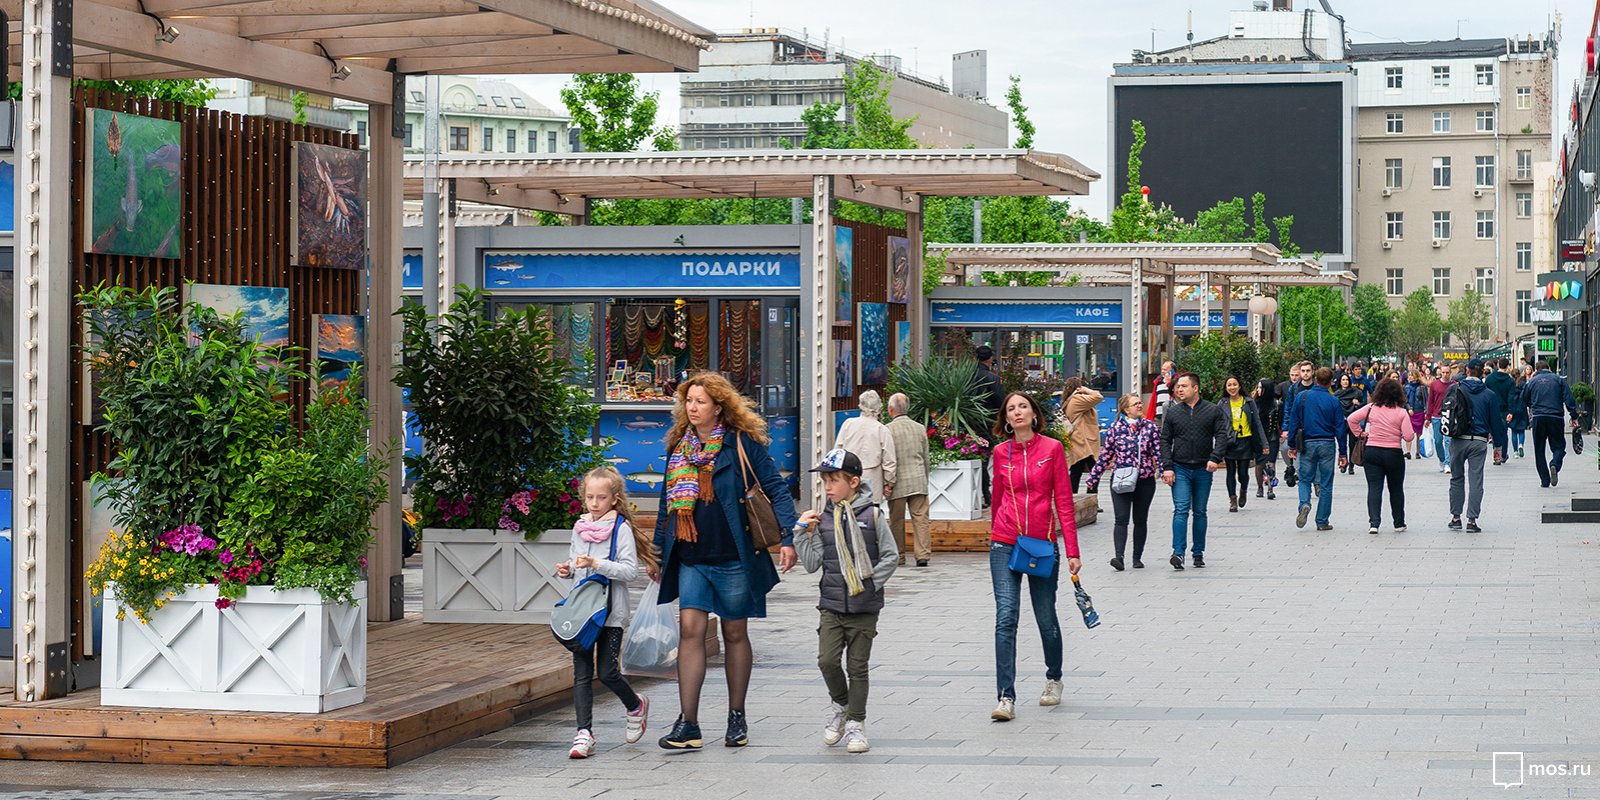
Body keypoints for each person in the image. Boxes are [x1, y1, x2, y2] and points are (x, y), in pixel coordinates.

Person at [650, 373, 800, 751]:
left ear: (718, 407)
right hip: (691, 557)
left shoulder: (741, 443)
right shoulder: (679, 447)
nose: (693, 407)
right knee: (690, 631)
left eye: (700, 401)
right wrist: (656, 552)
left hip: (733, 556)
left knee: (734, 633)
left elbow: (775, 487)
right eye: (688, 401)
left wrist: (788, 537)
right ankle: (688, 723)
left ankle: (737, 716)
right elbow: (667, 503)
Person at [794, 448, 899, 755]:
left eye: (834, 480)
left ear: (853, 482)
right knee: (826, 661)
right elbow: (812, 564)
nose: (827, 487)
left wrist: (870, 584)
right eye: (825, 481)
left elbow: (891, 556)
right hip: (831, 604)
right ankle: (841, 705)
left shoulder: (873, 515)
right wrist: (801, 532)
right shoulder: (823, 519)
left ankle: (856, 723)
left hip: (864, 607)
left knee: (857, 667)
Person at [988, 391, 1082, 721]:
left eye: (1023, 407)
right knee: (1006, 617)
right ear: (1006, 418)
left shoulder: (1052, 449)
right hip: (1005, 542)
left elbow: (1064, 502)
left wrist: (1072, 551)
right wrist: (995, 533)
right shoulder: (1001, 452)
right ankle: (1006, 697)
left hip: (1042, 544)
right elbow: (997, 498)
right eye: (1011, 408)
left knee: (1045, 617)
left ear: (1034, 414)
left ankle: (1054, 678)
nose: (1017, 412)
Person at [556, 466, 660, 759]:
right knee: (581, 673)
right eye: (590, 497)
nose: (594, 503)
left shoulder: (620, 529)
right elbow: (576, 563)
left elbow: (629, 571)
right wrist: (568, 569)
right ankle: (584, 734)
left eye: (601, 498)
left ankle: (635, 705)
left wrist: (597, 564)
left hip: (611, 612)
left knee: (607, 672)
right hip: (582, 613)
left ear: (614, 499)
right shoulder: (580, 526)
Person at [1159, 373, 1230, 570]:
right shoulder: (1173, 412)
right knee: (1181, 509)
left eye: (1184, 386)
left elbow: (1221, 435)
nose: (1179, 389)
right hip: (1180, 467)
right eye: (1178, 387)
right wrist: (1167, 467)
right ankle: (1178, 553)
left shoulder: (1212, 410)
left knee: (1199, 511)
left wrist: (1215, 458)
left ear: (1195, 388)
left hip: (1203, 468)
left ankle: (1198, 552)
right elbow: (1165, 440)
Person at [1085, 393, 1161, 571]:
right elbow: (1106, 455)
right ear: (1126, 409)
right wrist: (1093, 477)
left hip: (1144, 480)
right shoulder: (1115, 428)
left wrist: (1165, 471)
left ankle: (1137, 557)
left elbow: (1158, 452)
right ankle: (1119, 557)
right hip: (1121, 479)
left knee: (1140, 519)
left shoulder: (1150, 427)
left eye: (1140, 403)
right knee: (1121, 518)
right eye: (1135, 404)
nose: (1140, 406)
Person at [1345, 379, 1415, 536]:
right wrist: (1398, 433)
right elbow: (1409, 436)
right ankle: (1398, 523)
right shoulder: (1401, 412)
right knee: (1396, 488)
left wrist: (1361, 434)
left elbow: (1351, 419)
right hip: (1393, 453)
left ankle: (1374, 524)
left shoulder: (1371, 408)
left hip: (1372, 452)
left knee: (1374, 488)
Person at [1446, 359, 1508, 532]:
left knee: (1456, 478)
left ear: (1467, 371)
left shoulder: (1455, 389)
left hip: (1458, 439)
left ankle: (1456, 517)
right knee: (1476, 480)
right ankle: (1472, 520)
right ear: (1482, 373)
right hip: (1479, 441)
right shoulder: (1489, 394)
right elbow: (1496, 423)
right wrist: (1498, 446)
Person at [1284, 367, 1349, 532]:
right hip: (1327, 443)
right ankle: (1322, 521)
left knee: (1305, 479)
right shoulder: (1333, 401)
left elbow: (1293, 422)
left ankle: (1304, 504)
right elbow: (1340, 428)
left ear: (1315, 379)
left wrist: (1291, 445)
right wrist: (1343, 453)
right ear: (1331, 382)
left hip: (1307, 443)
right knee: (1326, 483)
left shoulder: (1302, 397)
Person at [885, 393, 933, 567]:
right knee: (921, 520)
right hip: (918, 479)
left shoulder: (887, 429)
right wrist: (925, 478)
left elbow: (887, 459)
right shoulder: (919, 428)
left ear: (891, 409)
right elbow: (926, 457)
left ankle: (899, 555)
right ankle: (922, 555)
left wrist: (887, 483)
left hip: (897, 482)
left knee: (896, 521)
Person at [835, 390, 898, 510]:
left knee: (847, 511)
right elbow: (889, 460)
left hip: (848, 477)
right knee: (871, 514)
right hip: (873, 480)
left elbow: (838, 451)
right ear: (879, 408)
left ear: (861, 405)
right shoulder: (882, 429)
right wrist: (889, 483)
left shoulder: (848, 424)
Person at [1522, 358, 1581, 488]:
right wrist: (1574, 416)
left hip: (1538, 417)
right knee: (1559, 446)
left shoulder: (1532, 381)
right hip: (1556, 417)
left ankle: (1545, 480)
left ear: (1536, 370)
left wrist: (1532, 405)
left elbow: (1524, 398)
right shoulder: (1558, 380)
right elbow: (1569, 398)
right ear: (1549, 368)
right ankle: (1555, 463)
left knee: (1539, 450)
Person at [1220, 376, 1267, 512]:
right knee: (1230, 471)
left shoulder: (1248, 402)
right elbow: (1217, 423)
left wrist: (1264, 444)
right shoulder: (1222, 403)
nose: (1232, 387)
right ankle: (1232, 499)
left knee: (1243, 473)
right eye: (1229, 385)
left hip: (1245, 441)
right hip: (1229, 441)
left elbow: (1257, 423)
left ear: (1239, 386)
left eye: (1234, 384)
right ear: (1226, 388)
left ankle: (1243, 490)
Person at [974, 345, 1006, 505]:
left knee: (970, 457)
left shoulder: (966, 376)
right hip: (986, 422)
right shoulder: (992, 378)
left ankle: (977, 495)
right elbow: (1001, 401)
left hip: (966, 422)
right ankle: (986, 495)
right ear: (990, 358)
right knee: (984, 459)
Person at [1062, 376, 1105, 494]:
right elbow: (1098, 397)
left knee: (1077, 471)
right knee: (1094, 471)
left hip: (1079, 440)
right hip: (1083, 441)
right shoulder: (1077, 399)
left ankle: (1073, 497)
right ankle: (1090, 496)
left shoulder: (1070, 400)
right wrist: (1086, 390)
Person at [1253, 378, 1281, 500]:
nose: (1258, 390)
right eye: (1258, 387)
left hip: (1272, 436)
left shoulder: (1277, 404)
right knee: (1260, 463)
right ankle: (1260, 487)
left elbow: (1281, 421)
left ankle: (1270, 488)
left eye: (1261, 388)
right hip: (1259, 437)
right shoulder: (1254, 404)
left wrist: (1283, 434)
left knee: (1270, 463)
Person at [1484, 359, 1516, 465]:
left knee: (1494, 432)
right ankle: (1503, 454)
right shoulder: (1510, 381)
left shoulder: (1489, 379)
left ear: (1498, 365)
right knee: (1503, 432)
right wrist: (1511, 412)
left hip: (1491, 408)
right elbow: (1511, 397)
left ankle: (1497, 456)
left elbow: (1485, 394)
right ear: (1507, 366)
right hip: (1504, 410)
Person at [1333, 374, 1365, 474]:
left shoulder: (1356, 392)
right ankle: (1344, 463)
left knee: (1352, 444)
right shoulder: (1336, 394)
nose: (1345, 381)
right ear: (1340, 381)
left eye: (1347, 379)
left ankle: (1351, 466)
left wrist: (1358, 403)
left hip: (1352, 420)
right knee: (1342, 443)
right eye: (1343, 380)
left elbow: (1363, 405)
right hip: (1341, 421)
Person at [1426, 363, 1455, 473]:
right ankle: (1442, 460)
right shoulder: (1434, 385)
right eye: (1443, 372)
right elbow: (1430, 401)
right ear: (1440, 372)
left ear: (1450, 372)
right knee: (1438, 441)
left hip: (1449, 415)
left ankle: (1447, 463)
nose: (1445, 374)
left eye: (1447, 372)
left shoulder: (1454, 385)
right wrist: (1428, 417)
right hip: (1436, 416)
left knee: (1448, 440)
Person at [1404, 368, 1429, 460]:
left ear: (1416, 377)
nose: (1410, 377)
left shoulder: (1422, 387)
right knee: (1409, 432)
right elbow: (1404, 400)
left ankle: (1418, 452)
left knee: (1419, 434)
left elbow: (1426, 400)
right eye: (1409, 375)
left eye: (1412, 375)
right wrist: (1408, 408)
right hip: (1410, 412)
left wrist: (1426, 412)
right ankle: (1408, 452)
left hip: (1419, 411)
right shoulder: (1406, 387)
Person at [1508, 371, 1529, 459]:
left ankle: (1515, 451)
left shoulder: (1510, 384)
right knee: (1521, 430)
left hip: (1512, 409)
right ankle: (1521, 444)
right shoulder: (1523, 384)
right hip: (1522, 408)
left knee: (1514, 431)